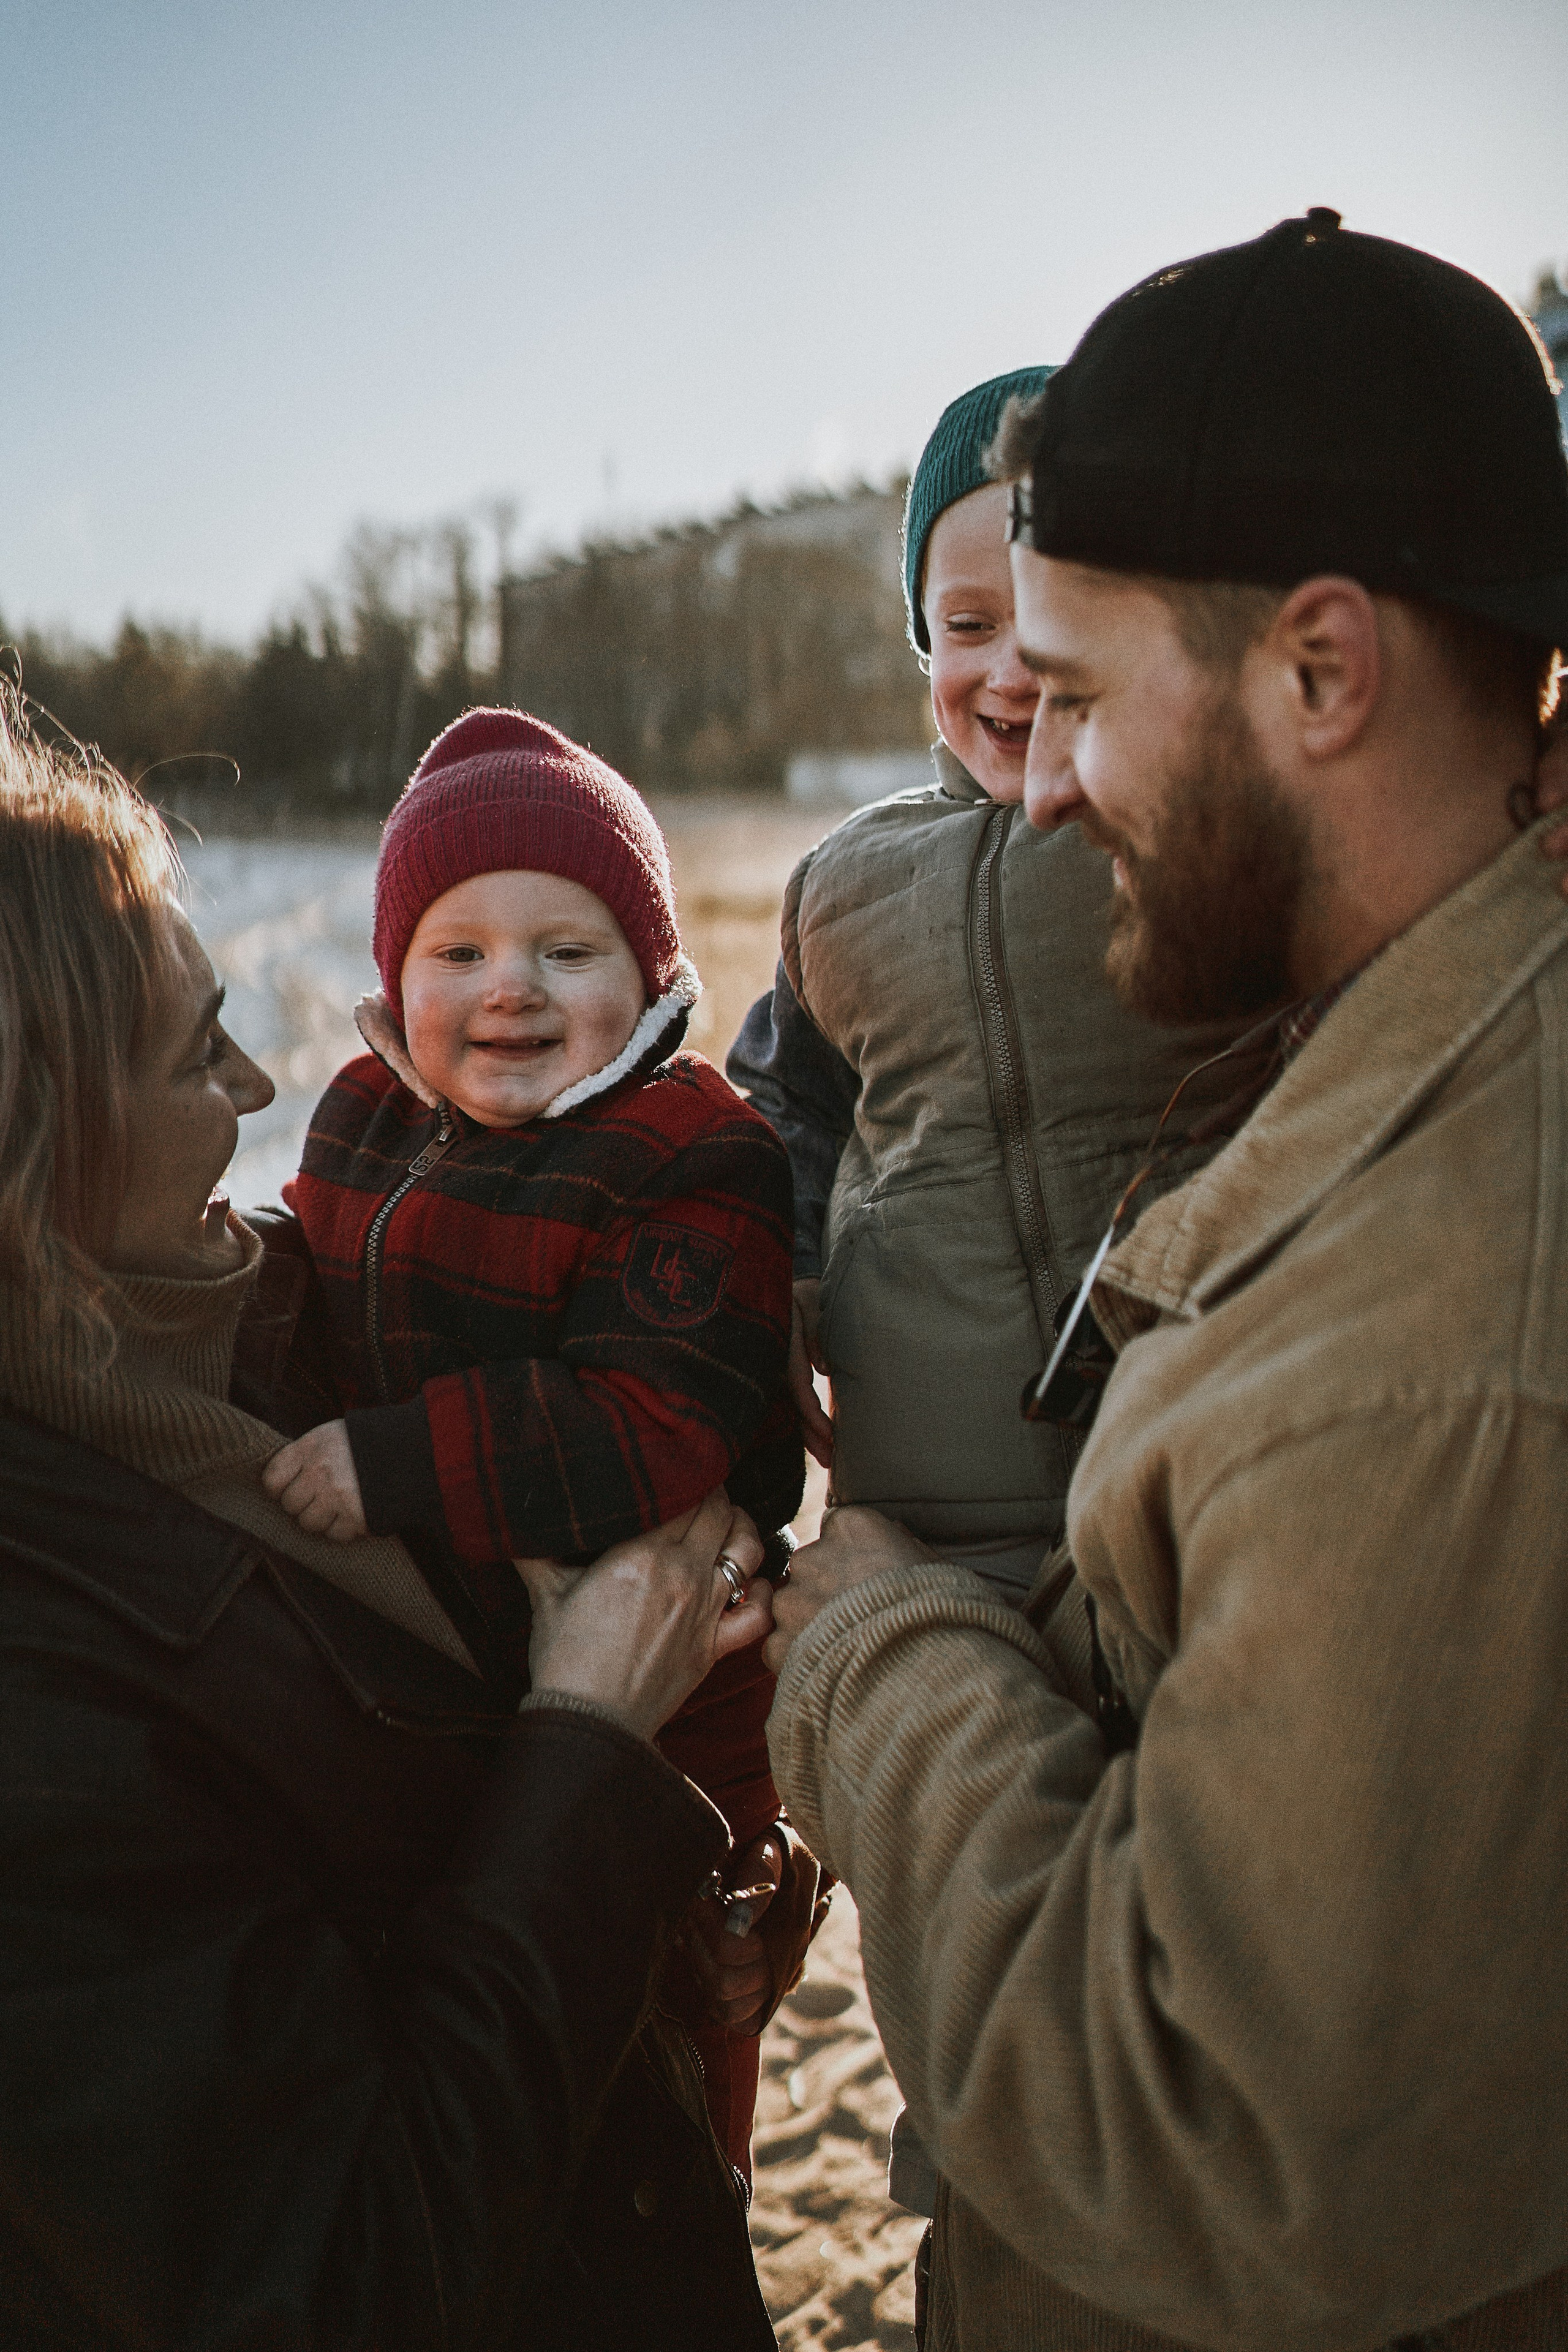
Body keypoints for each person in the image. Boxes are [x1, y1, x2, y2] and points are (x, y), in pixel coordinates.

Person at [764, 211, 1568, 2350]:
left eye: (1094, 696)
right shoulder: (1406, 1053)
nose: (1047, 775)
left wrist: (871, 1651)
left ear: (1323, 672)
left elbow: (1210, 2136)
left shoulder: (1422, 1355)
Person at [0, 692, 784, 2348]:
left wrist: (689, 1884)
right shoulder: (36, 1686)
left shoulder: (264, 1327)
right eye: (188, 1050)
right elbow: (335, 2282)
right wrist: (587, 1741)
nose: (260, 1079)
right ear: (33, 1152)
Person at [255, 705, 805, 2176]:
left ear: (651, 975)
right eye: (458, 952)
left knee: (680, 1992)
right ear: (393, 977)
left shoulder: (694, 1154)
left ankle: (704, 2185)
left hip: (675, 1690)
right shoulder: (366, 1115)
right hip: (467, 1663)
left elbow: (653, 1428)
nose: (511, 990)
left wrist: (395, 1460)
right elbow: (308, 1285)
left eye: (568, 953)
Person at [728, 369, 1269, 1599]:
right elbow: (784, 1102)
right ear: (921, 639)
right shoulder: (842, 881)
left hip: (1176, 1472)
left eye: (1047, 620)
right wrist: (783, 1270)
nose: (1010, 670)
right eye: (966, 625)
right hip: (914, 1502)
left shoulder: (1190, 836)